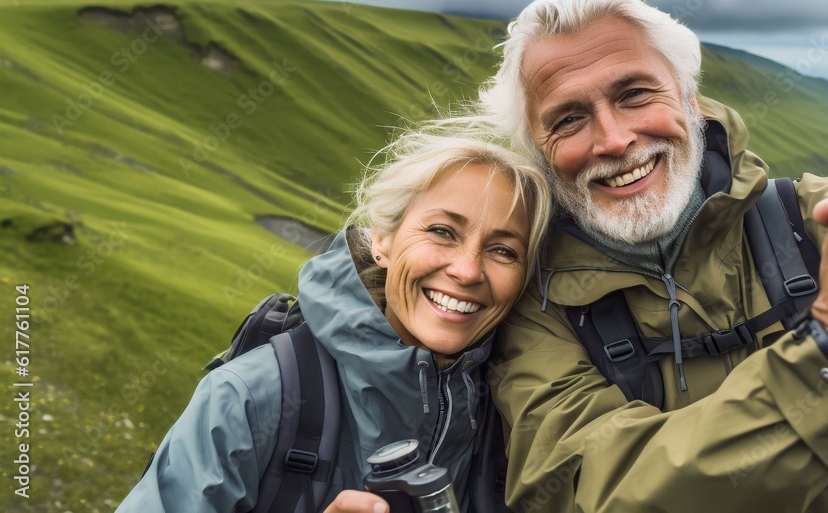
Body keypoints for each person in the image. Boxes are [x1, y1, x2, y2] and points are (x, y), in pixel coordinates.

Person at [475, 0, 828, 512]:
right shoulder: (537, 306)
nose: (613, 140)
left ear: (691, 99)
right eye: (568, 119)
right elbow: (590, 493)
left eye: (635, 94)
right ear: (540, 153)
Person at [115, 130, 552, 513]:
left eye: (503, 251)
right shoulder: (248, 396)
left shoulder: (516, 407)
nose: (468, 270)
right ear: (380, 239)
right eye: (441, 231)